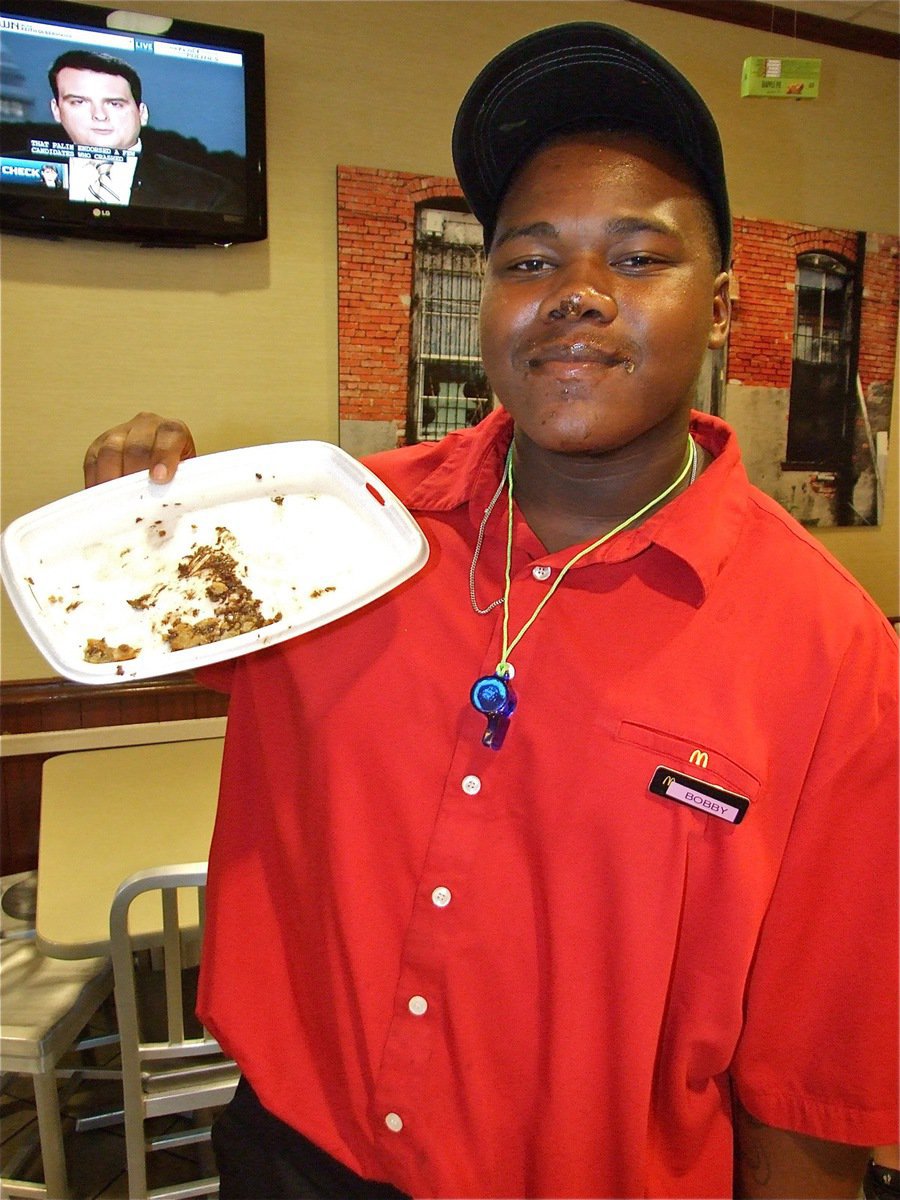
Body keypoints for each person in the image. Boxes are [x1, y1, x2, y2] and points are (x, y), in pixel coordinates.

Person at [81, 22, 897, 1200]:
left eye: (635, 258)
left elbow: (813, 1074)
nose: (574, 297)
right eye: (528, 262)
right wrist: (133, 524)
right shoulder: (329, 527)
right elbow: (128, 639)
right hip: (288, 1162)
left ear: (721, 308)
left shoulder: (828, 649)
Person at [48, 49, 240, 212]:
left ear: (142, 114)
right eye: (79, 102)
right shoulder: (21, 175)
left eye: (114, 103)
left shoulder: (209, 192)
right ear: (56, 110)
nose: (99, 115)